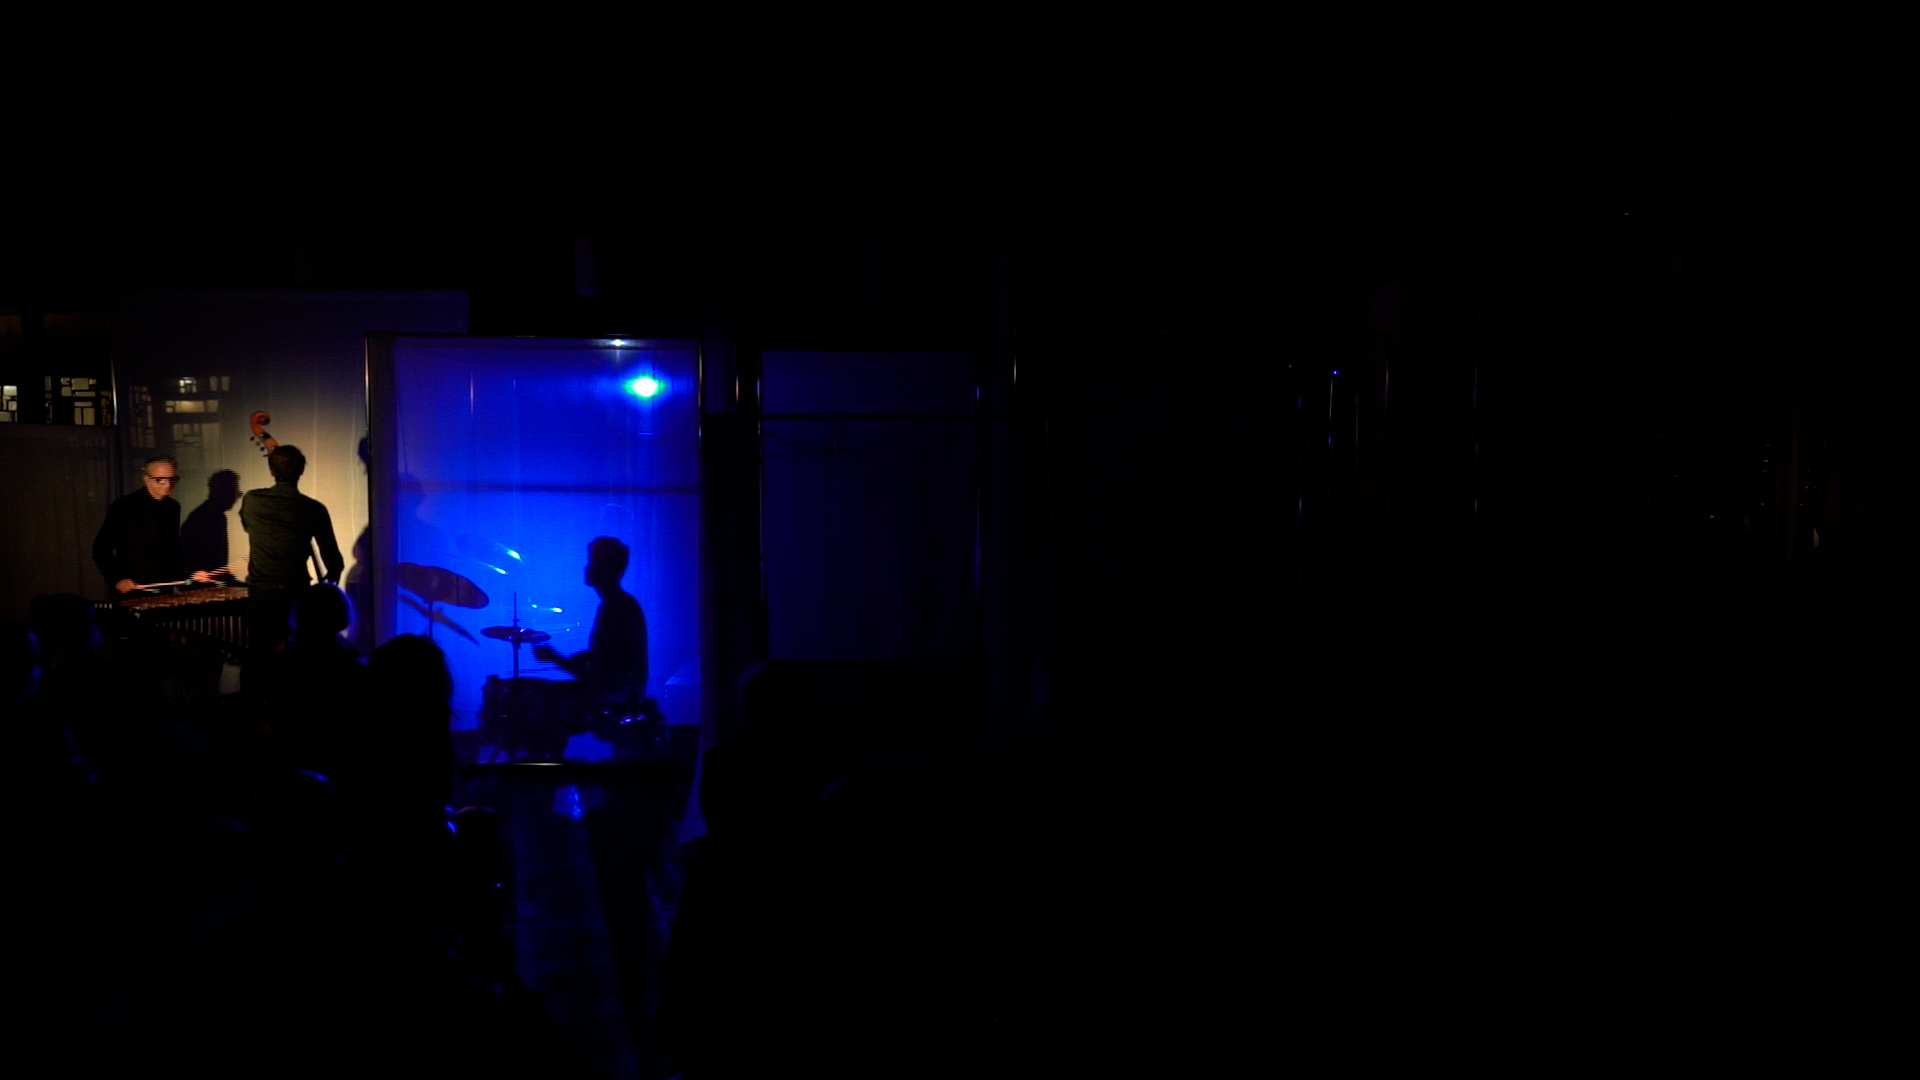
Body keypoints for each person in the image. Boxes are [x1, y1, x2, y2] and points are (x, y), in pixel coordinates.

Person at [240, 445, 345, 665]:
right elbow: (334, 563)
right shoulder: (314, 509)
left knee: (258, 661)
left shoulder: (252, 500)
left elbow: (247, 526)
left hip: (261, 596)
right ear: (301, 471)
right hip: (296, 597)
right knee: (298, 662)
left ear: (272, 470)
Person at [534, 536, 649, 708]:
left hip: (617, 698)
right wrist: (582, 657)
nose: (586, 567)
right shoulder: (617, 604)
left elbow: (604, 674)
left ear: (607, 568)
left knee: (539, 700)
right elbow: (609, 659)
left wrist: (556, 658)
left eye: (593, 561)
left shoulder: (617, 607)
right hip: (621, 692)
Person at [92, 455, 215, 597]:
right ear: (146, 479)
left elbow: (171, 549)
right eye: (160, 479)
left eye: (172, 479)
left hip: (163, 587)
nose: (168, 485)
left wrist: (190, 572)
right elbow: (101, 548)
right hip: (132, 588)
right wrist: (117, 580)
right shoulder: (125, 507)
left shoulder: (173, 507)